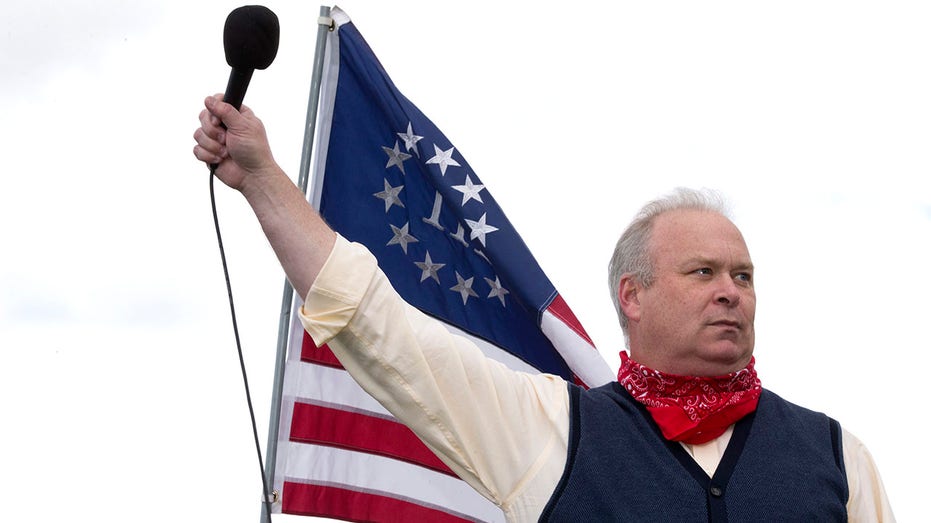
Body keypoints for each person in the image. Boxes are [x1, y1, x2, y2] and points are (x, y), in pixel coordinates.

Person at [193, 94, 895, 521]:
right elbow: (381, 328)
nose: (730, 291)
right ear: (633, 295)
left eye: (742, 275)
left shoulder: (837, 457)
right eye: (702, 271)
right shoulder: (552, 430)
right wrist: (262, 179)